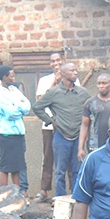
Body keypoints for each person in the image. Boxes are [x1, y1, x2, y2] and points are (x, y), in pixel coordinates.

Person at [32, 61, 90, 197]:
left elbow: (90, 109)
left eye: (76, 70)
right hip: (61, 137)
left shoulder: (82, 92)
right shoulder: (54, 92)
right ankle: (60, 199)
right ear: (63, 74)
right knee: (60, 172)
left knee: (77, 171)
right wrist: (50, 121)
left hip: (78, 137)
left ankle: (76, 199)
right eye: (72, 71)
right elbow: (37, 107)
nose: (76, 73)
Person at [0, 65, 31, 188]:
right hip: (6, 133)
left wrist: (17, 106)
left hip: (18, 133)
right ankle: (4, 192)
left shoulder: (14, 90)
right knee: (5, 165)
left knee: (17, 165)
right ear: (4, 77)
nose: (14, 78)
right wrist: (19, 107)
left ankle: (16, 192)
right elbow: (11, 112)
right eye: (11, 76)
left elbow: (27, 106)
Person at [34, 51, 64, 200]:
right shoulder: (45, 80)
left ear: (63, 61)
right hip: (49, 125)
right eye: (53, 61)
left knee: (68, 159)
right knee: (48, 157)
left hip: (66, 126)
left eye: (58, 60)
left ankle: (70, 191)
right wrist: (54, 83)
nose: (56, 63)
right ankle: (44, 190)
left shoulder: (72, 78)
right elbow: (40, 100)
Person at [80, 73, 110, 160]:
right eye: (99, 83)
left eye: (104, 83)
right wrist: (80, 148)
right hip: (95, 147)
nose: (101, 86)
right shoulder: (90, 103)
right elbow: (84, 125)